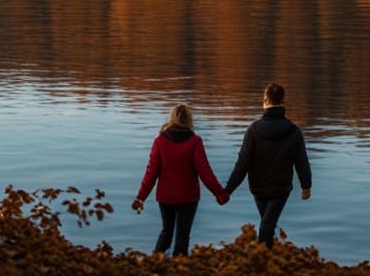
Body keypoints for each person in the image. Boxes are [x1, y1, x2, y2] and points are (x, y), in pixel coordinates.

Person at [132, 103, 230, 256]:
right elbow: (205, 172)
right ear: (189, 120)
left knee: (166, 230)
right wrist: (220, 193)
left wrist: (140, 197)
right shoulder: (194, 141)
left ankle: (155, 262)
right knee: (183, 236)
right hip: (188, 197)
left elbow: (151, 173)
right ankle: (179, 265)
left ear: (172, 118)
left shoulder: (160, 141)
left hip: (166, 197)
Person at [224, 83, 312, 247]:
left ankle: (263, 259)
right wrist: (306, 186)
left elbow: (242, 163)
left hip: (258, 187)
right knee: (267, 225)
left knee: (266, 225)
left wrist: (228, 190)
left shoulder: (253, 130)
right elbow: (302, 161)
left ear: (265, 100)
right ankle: (268, 257)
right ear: (282, 101)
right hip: (281, 188)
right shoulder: (294, 131)